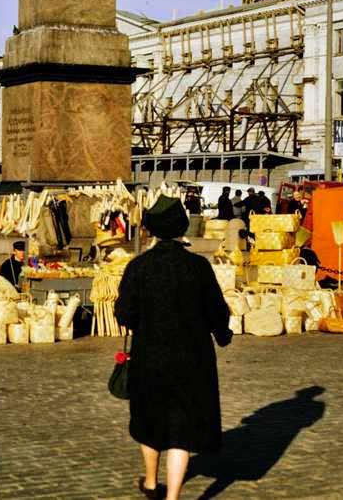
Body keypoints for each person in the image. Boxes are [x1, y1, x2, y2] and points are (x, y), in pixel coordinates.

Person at [115, 196, 232, 500]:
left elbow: (125, 313)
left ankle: (152, 483)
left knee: (149, 420)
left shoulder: (138, 266)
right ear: (182, 227)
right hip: (192, 359)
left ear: (152, 229)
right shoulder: (198, 266)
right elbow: (216, 310)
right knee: (182, 429)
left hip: (149, 357)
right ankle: (173, 497)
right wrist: (222, 334)